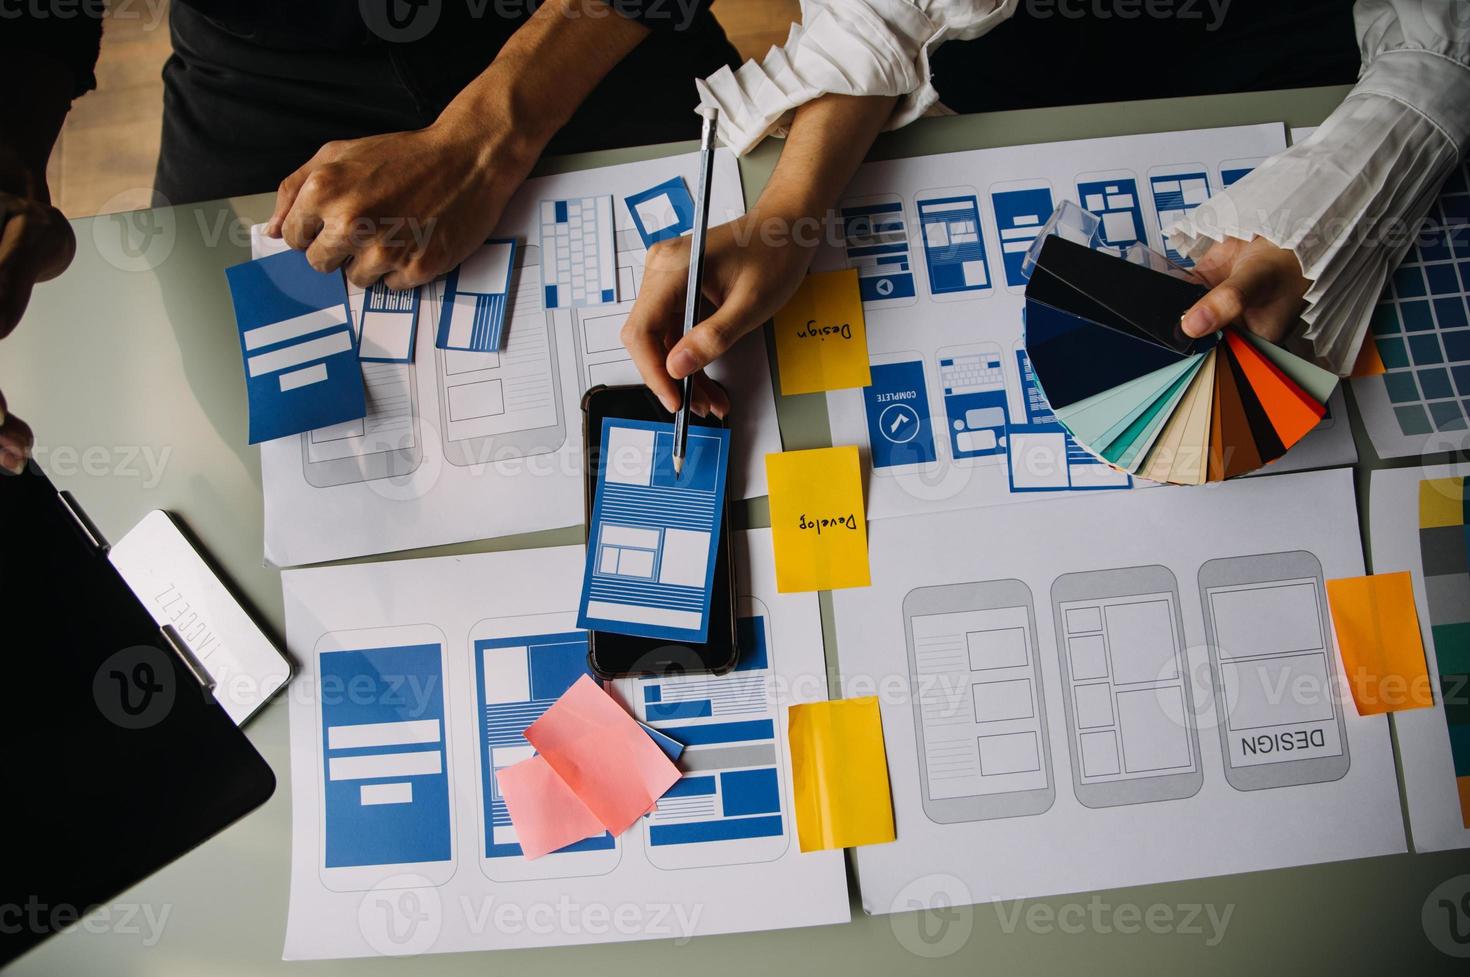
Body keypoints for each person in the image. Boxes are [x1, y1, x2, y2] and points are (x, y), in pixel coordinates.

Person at [621, 0, 1470, 417]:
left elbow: (1441, 39)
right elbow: (888, 7)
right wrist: (790, 210)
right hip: (1025, 72)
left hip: (1305, 88)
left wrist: (1315, 221)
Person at [0, 0, 740, 472]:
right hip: (259, 57)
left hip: (577, 28)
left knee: (734, 388)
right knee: (277, 465)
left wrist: (487, 140)